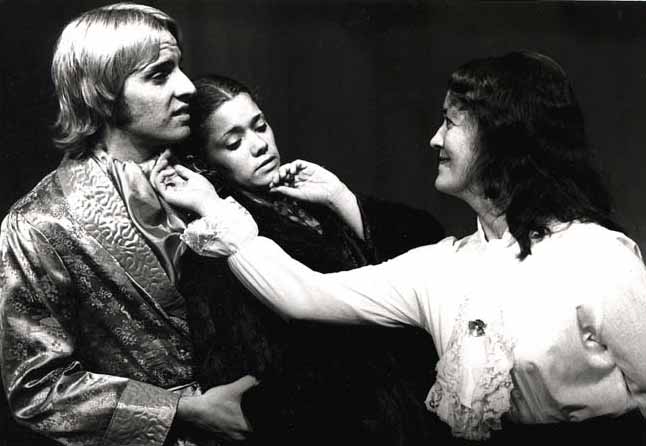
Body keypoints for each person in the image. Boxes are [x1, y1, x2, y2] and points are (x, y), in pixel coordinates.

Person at [152, 51, 646, 443]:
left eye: (451, 123)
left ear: (502, 141)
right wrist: (216, 210)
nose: (433, 139)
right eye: (233, 140)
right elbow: (304, 294)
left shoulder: (597, 257)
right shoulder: (442, 268)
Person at [0, 4, 256, 445]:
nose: (187, 87)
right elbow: (36, 388)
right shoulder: (39, 224)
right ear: (100, 93)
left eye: (180, 67)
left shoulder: (215, 172)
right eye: (159, 75)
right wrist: (181, 411)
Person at [171, 74, 445, 445]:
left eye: (260, 126)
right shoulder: (216, 248)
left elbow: (431, 256)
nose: (259, 145)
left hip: (411, 411)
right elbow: (255, 375)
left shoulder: (310, 199)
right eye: (234, 142)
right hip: (345, 425)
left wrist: (339, 198)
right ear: (204, 163)